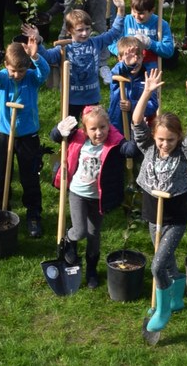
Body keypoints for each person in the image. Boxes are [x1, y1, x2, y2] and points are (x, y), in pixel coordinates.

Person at [134, 70, 187, 333]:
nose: (164, 144)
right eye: (161, 139)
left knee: (158, 265)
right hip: (152, 212)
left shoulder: (182, 153)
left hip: (174, 217)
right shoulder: (148, 147)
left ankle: (162, 311)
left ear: (178, 138)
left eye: (170, 140)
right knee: (168, 259)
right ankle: (175, 299)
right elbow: (137, 120)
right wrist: (147, 92)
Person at [0, 31, 50, 238]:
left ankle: (34, 214)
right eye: (12, 70)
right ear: (7, 67)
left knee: (30, 176)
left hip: (28, 136)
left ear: (27, 66)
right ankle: (0, 208)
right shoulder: (4, 79)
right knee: (0, 174)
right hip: (3, 134)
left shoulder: (32, 78)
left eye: (20, 70)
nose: (17, 75)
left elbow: (44, 72)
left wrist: (36, 56)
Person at [51, 106, 129, 289]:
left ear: (109, 126)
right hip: (78, 193)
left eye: (102, 127)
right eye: (93, 129)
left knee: (94, 235)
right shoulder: (78, 138)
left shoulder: (114, 143)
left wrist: (131, 147)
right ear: (85, 130)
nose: (99, 132)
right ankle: (69, 239)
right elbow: (55, 137)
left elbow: (126, 147)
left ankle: (91, 270)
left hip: (97, 198)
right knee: (80, 231)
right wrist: (58, 130)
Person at [41, 0, 128, 121]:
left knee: (95, 128)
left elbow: (114, 33)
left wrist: (121, 10)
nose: (85, 33)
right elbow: (47, 57)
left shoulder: (95, 42)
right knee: (70, 131)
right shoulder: (64, 49)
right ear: (69, 31)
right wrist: (38, 43)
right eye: (80, 30)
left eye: (87, 29)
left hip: (92, 97)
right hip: (71, 99)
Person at [110, 0, 175, 70]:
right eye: (134, 11)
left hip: (149, 64)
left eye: (141, 13)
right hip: (128, 62)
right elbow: (111, 42)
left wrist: (150, 43)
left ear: (152, 11)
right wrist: (122, 52)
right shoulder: (126, 21)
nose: (136, 16)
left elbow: (168, 51)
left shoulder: (161, 24)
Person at [106, 36, 156, 139]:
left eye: (138, 56)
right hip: (117, 125)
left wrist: (133, 105)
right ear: (119, 59)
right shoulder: (117, 74)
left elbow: (153, 105)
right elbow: (116, 71)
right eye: (128, 56)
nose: (134, 60)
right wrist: (127, 65)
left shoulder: (147, 79)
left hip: (138, 128)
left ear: (143, 57)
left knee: (134, 151)